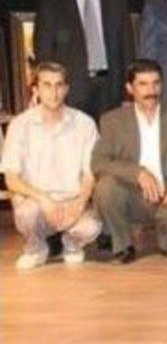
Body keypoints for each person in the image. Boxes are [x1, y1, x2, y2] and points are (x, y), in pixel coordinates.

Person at [91, 60, 167, 263]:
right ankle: (123, 245)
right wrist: (138, 173)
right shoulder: (113, 120)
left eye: (156, 83)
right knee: (106, 188)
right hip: (133, 196)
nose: (151, 91)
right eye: (143, 84)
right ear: (130, 88)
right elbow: (98, 162)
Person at [2, 62, 101, 269]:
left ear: (67, 88)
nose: (54, 93)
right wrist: (43, 199)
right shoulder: (20, 125)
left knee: (92, 227)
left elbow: (90, 173)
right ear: (36, 89)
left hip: (71, 202)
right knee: (26, 213)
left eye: (59, 85)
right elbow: (11, 179)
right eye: (47, 85)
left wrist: (80, 203)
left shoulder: (85, 124)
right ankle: (35, 248)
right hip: (37, 202)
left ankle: (71, 244)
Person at [34, 0, 134, 119]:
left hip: (110, 91)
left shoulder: (116, 0)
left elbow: (127, 50)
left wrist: (128, 93)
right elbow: (44, 52)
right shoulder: (52, 3)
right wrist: (51, 91)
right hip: (70, 91)